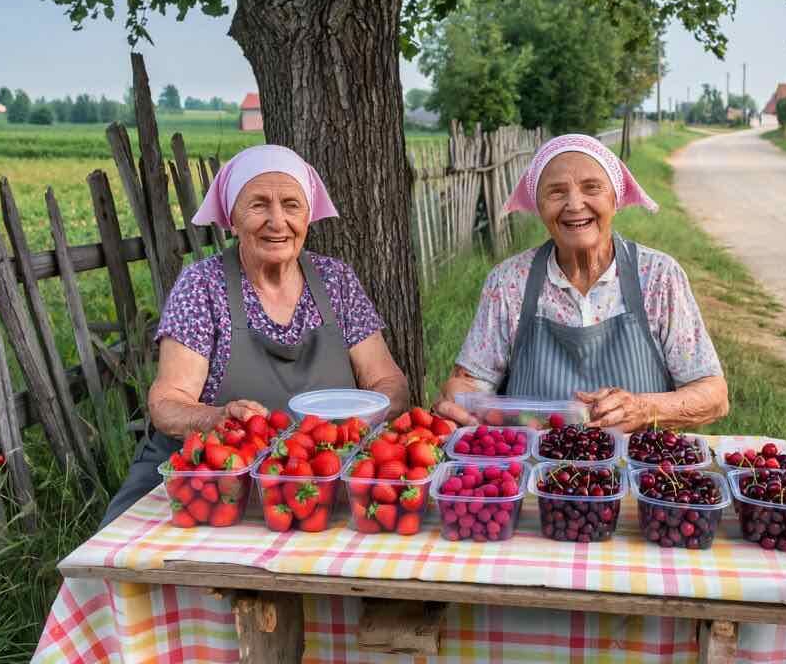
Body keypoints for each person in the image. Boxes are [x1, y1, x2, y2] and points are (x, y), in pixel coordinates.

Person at [100, 145, 409, 525]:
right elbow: (167, 401)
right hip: (212, 484)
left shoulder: (336, 281)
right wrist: (216, 418)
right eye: (259, 205)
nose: (277, 222)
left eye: (292, 205)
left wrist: (360, 423)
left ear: (309, 215)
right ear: (232, 218)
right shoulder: (203, 285)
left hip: (318, 481)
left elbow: (387, 380)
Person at [433, 133, 728, 431]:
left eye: (592, 188)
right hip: (535, 467)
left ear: (615, 198)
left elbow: (712, 394)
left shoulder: (659, 276)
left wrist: (644, 409)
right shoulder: (508, 282)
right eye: (556, 192)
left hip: (639, 467)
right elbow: (470, 383)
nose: (575, 204)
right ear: (539, 207)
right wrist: (458, 397)